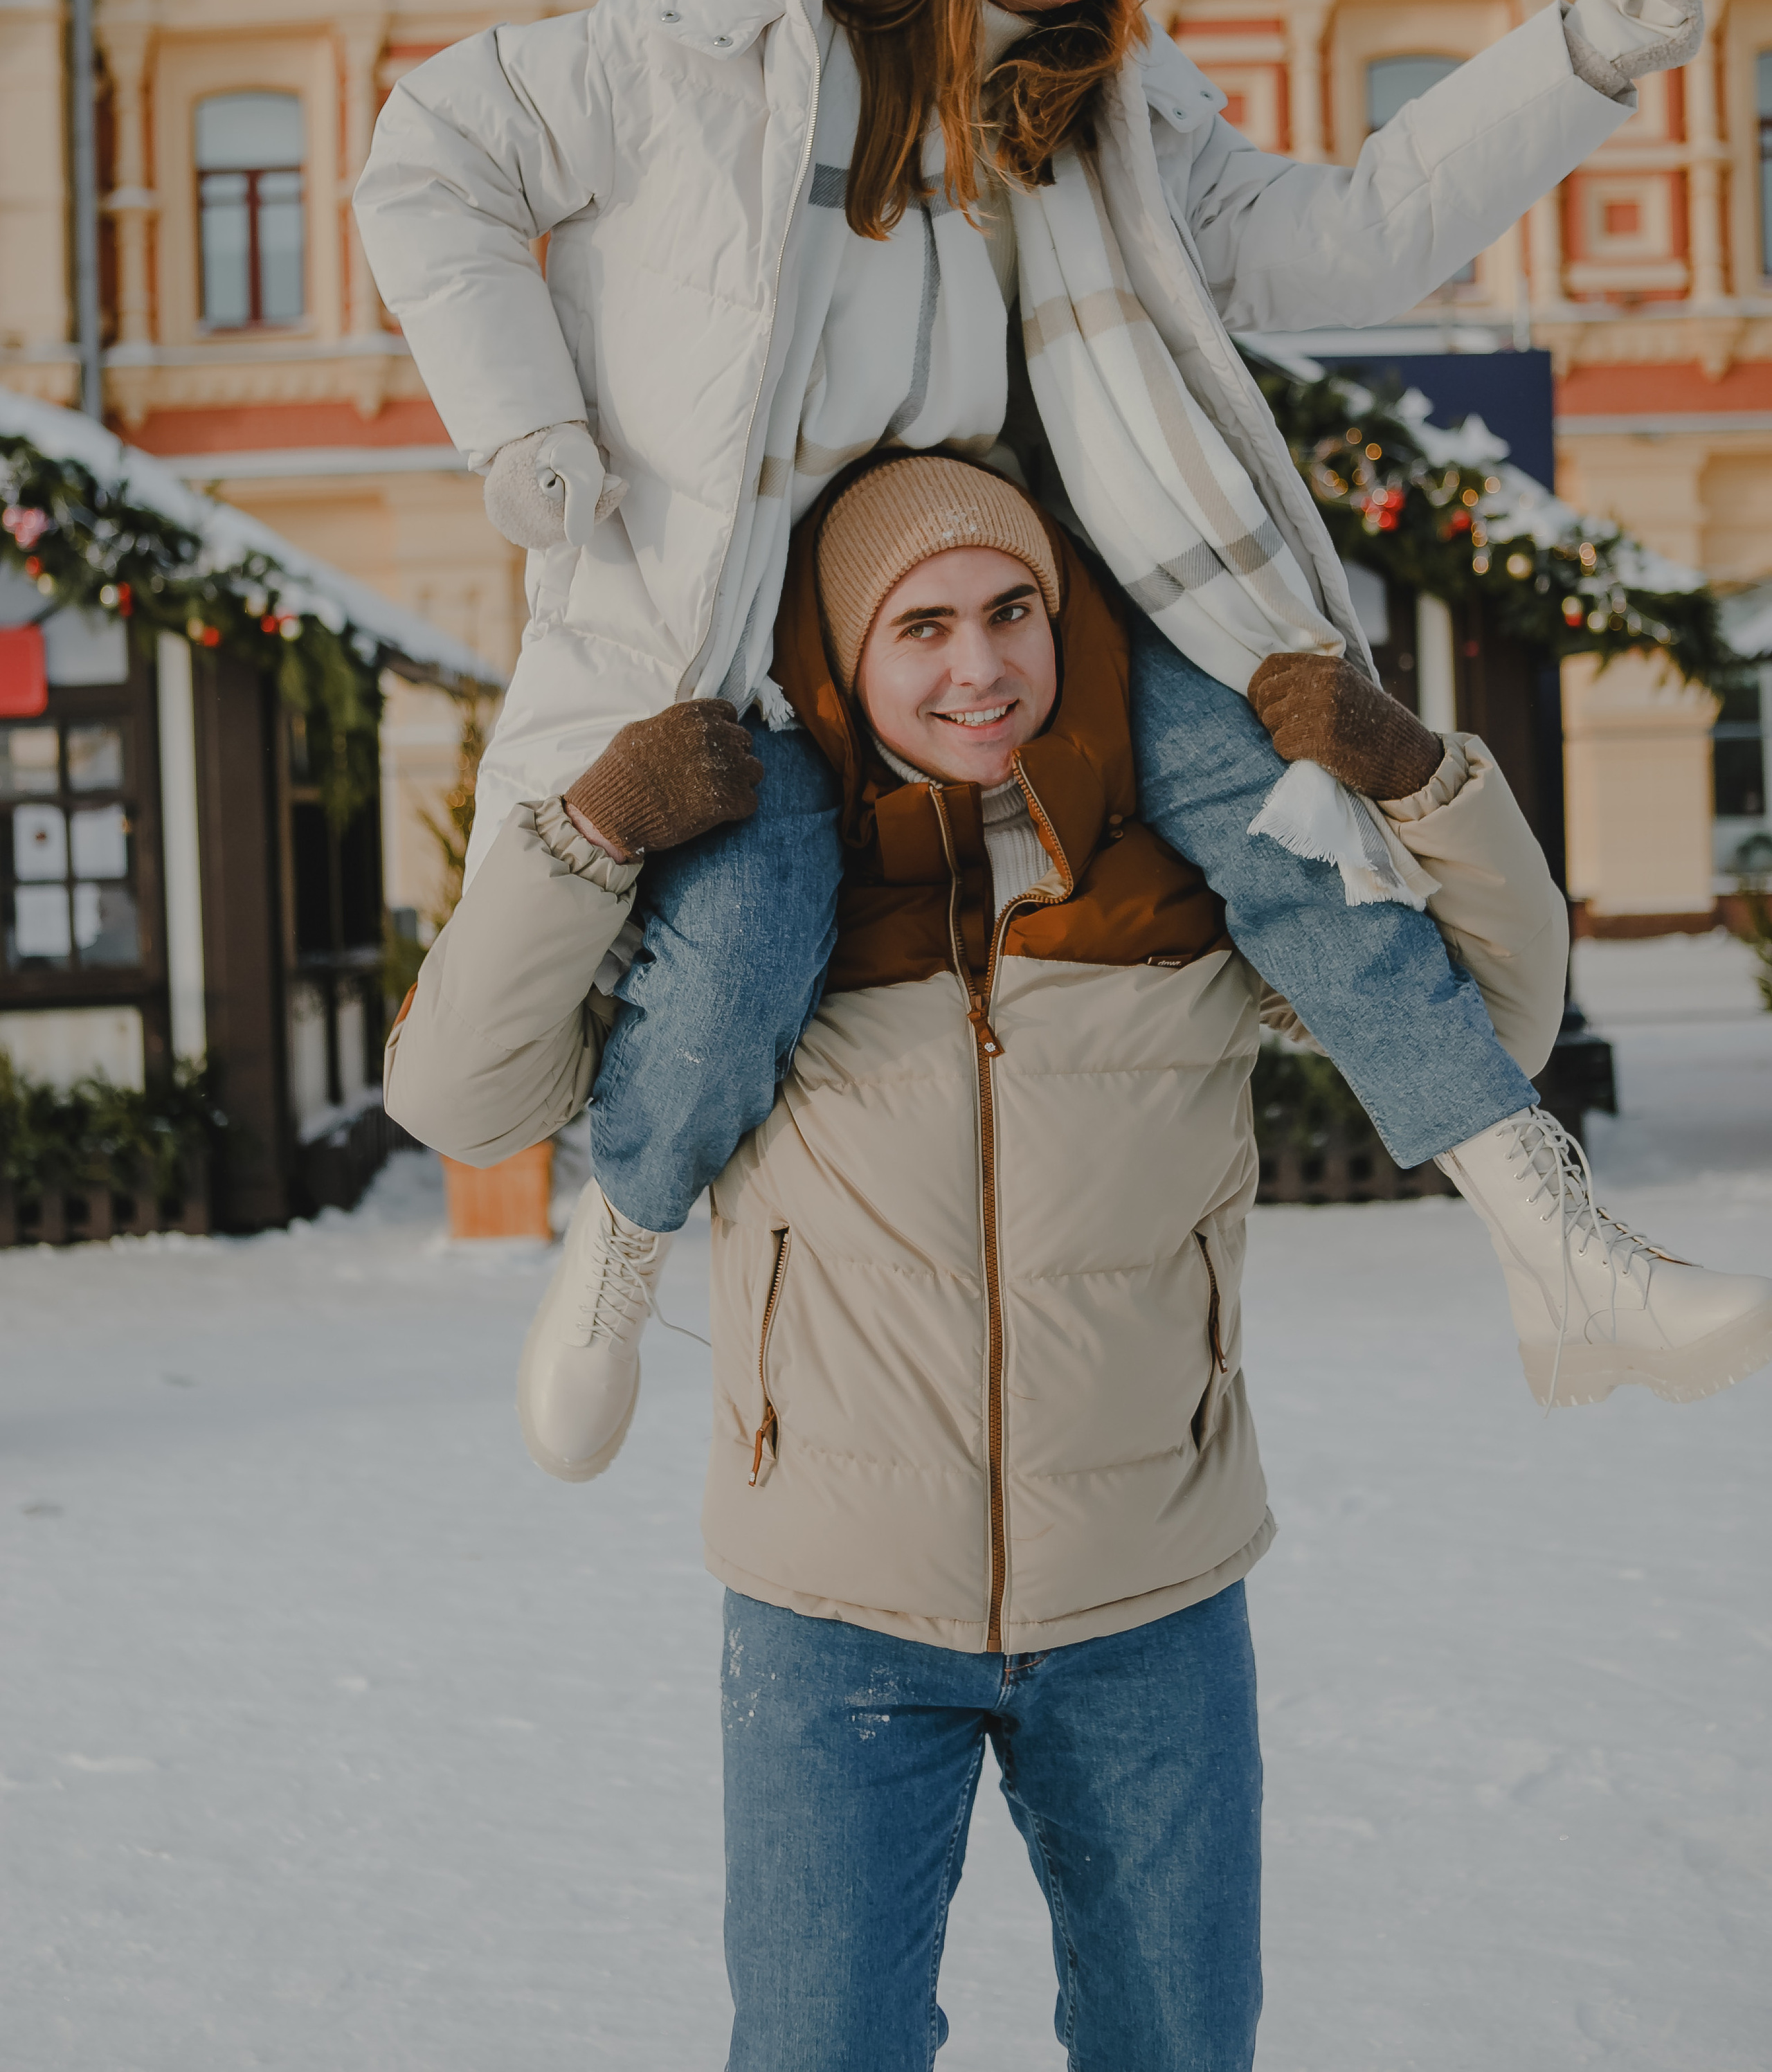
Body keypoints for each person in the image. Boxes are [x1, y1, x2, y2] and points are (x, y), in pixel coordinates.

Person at [356, 0, 1727, 1432]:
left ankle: (1553, 1242)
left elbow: (1351, 237)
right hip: (740, 620)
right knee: (754, 908)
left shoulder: (1106, 117)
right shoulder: (700, 54)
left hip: (1023, 598)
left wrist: (1574, 62)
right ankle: (616, 1247)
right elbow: (430, 145)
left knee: (1269, 793)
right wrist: (523, 416)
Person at [387, 456, 1772, 2069]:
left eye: (1009, 612)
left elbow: (1495, 1017)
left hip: (1150, 1604)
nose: (977, 665)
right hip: (834, 1611)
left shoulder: (1173, 885)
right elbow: (463, 1098)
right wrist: (595, 830)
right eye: (920, 628)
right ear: (842, 658)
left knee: (1175, 2049)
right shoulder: (748, 920)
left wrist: (1413, 779)